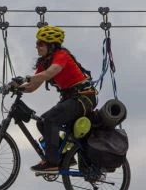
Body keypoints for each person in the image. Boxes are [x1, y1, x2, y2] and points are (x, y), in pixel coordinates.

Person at [20, 25, 98, 172]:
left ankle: (52, 161)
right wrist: (17, 87)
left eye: (40, 44)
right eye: (37, 43)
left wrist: (27, 78)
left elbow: (50, 73)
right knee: (42, 122)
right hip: (71, 98)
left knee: (50, 119)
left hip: (84, 98)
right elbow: (33, 86)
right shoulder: (45, 62)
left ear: (51, 45)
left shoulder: (61, 55)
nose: (37, 47)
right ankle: (65, 157)